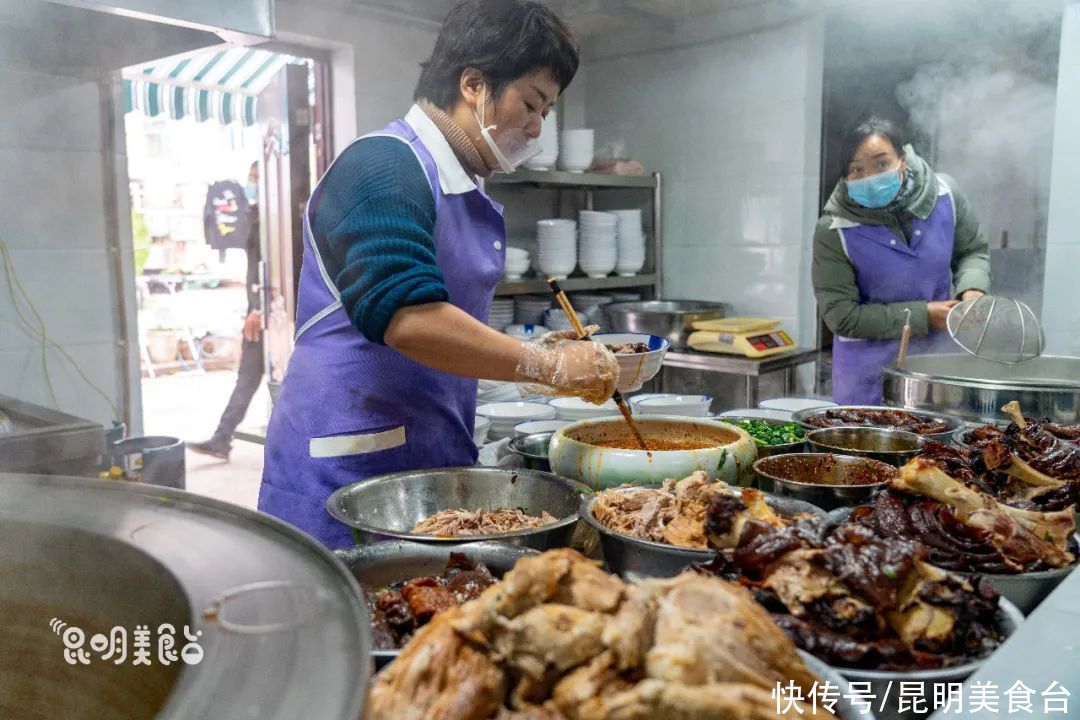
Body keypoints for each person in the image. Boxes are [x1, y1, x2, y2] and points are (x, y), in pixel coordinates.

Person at [259, 0, 618, 547]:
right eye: (531, 103)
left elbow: (453, 320)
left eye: (546, 112)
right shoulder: (383, 166)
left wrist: (541, 351)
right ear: (474, 83)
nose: (537, 127)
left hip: (427, 455)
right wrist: (548, 366)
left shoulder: (461, 184)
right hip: (345, 469)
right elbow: (411, 319)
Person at [812, 117, 990, 405]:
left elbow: (973, 251)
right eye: (856, 169)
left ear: (903, 160)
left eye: (881, 164)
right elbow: (841, 316)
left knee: (943, 446)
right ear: (844, 176)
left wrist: (971, 291)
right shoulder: (834, 229)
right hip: (867, 378)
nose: (869, 177)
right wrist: (923, 315)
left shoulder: (946, 195)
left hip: (940, 367)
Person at [190, 162, 263, 460]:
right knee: (248, 376)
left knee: (257, 378)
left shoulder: (274, 220)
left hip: (266, 314)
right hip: (258, 313)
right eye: (252, 179)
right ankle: (222, 438)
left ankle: (222, 438)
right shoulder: (255, 216)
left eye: (256, 179)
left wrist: (260, 307)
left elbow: (270, 267)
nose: (251, 184)